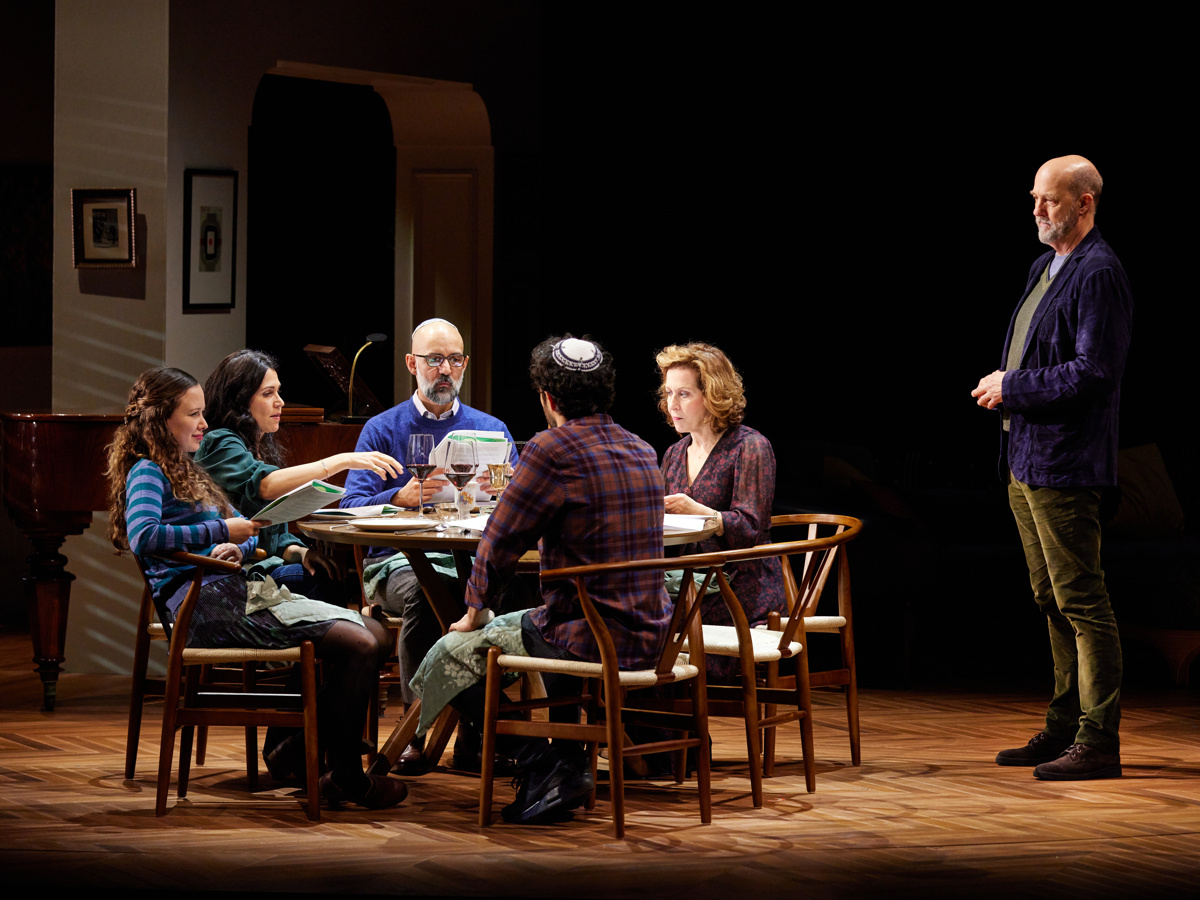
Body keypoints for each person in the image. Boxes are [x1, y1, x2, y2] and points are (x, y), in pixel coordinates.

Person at [106, 366, 406, 809]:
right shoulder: (149, 471)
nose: (205, 425)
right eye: (194, 415)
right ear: (161, 420)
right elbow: (144, 535)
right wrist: (218, 534)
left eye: (204, 413)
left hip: (233, 593)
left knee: (377, 635)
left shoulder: (188, 471)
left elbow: (244, 535)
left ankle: (301, 746)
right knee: (362, 642)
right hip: (205, 608)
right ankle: (344, 774)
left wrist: (234, 547)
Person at [410, 335, 672, 824]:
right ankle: (566, 766)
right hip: (652, 634)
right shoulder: (641, 448)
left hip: (589, 637)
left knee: (447, 656)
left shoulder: (552, 449)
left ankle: (542, 762)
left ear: (548, 399)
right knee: (547, 616)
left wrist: (471, 613)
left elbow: (500, 540)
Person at [972, 154, 1133, 781]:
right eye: (1035, 198)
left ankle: (1099, 740)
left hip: (1067, 463)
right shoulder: (1048, 265)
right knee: (1050, 598)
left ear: (1085, 203)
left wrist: (1014, 386)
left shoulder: (1099, 273)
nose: (1038, 211)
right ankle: (1066, 725)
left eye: (1051, 200)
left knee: (1082, 600)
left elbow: (1096, 371)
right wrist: (1011, 393)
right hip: (1026, 457)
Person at [340, 317, 518, 774]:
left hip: (470, 559)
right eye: (434, 359)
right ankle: (418, 730)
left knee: (505, 595)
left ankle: (479, 740)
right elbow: (352, 503)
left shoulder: (492, 430)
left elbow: (516, 499)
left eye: (454, 360)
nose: (445, 369)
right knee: (429, 593)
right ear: (411, 364)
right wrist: (395, 497)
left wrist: (507, 493)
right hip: (397, 563)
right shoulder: (383, 429)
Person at [196, 349, 403, 603]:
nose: (280, 401)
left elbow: (275, 538)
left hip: (260, 564)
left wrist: (302, 552)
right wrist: (341, 460)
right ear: (240, 401)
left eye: (278, 391)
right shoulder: (220, 443)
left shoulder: (261, 447)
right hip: (231, 575)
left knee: (330, 572)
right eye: (268, 393)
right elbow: (265, 485)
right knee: (324, 584)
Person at [656, 342, 784, 681]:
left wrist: (700, 512)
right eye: (668, 393)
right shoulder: (673, 454)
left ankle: (678, 728)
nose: (671, 405)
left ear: (712, 395)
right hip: (689, 581)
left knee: (654, 634)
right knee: (625, 617)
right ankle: (649, 730)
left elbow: (752, 528)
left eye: (683, 394)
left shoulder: (749, 447)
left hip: (738, 586)